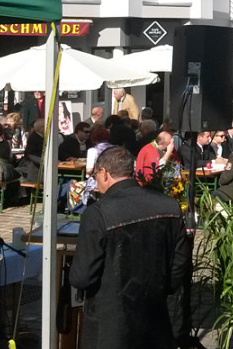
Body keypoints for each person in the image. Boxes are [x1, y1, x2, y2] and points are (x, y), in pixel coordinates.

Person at [69, 146, 191, 349]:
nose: (95, 182)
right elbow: (180, 261)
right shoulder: (168, 205)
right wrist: (161, 287)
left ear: (104, 173)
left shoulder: (98, 213)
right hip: (155, 316)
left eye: (95, 175)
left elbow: (82, 276)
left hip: (111, 324)